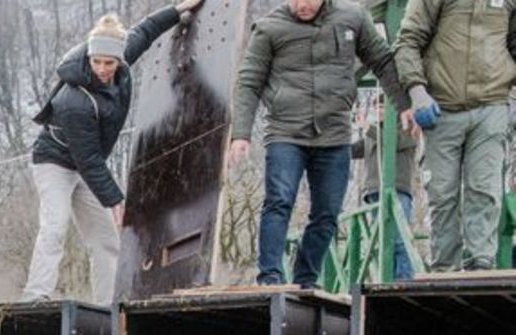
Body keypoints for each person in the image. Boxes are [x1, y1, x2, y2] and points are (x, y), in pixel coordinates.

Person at [20, 1, 205, 304]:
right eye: (97, 63)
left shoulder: (120, 59)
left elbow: (145, 31)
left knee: (106, 240)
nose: (103, 69)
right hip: (55, 162)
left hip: (86, 167)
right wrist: (116, 200)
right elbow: (89, 160)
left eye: (109, 63)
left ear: (119, 59)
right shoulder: (74, 100)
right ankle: (35, 293)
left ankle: (108, 304)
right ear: (89, 58)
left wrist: (178, 8)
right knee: (55, 225)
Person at [228, 0, 411, 290]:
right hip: (286, 131)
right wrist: (241, 134)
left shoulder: (352, 18)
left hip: (334, 133)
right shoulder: (269, 28)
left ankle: (305, 278)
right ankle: (270, 276)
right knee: (279, 200)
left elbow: (382, 61)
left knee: (327, 213)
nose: (302, 5)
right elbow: (249, 82)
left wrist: (404, 105)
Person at [394, 0, 516, 273]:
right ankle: (444, 266)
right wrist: (416, 90)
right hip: (441, 107)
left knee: (484, 189)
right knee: (441, 192)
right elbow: (408, 41)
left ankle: (481, 263)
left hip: (492, 103)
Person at [350, 117, 418, 280]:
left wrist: (369, 128)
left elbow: (393, 142)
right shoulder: (372, 134)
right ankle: (385, 278)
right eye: (377, 107)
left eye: (382, 106)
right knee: (381, 240)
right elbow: (352, 150)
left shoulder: (406, 128)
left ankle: (404, 278)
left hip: (397, 188)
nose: (379, 111)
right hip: (374, 191)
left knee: (400, 239)